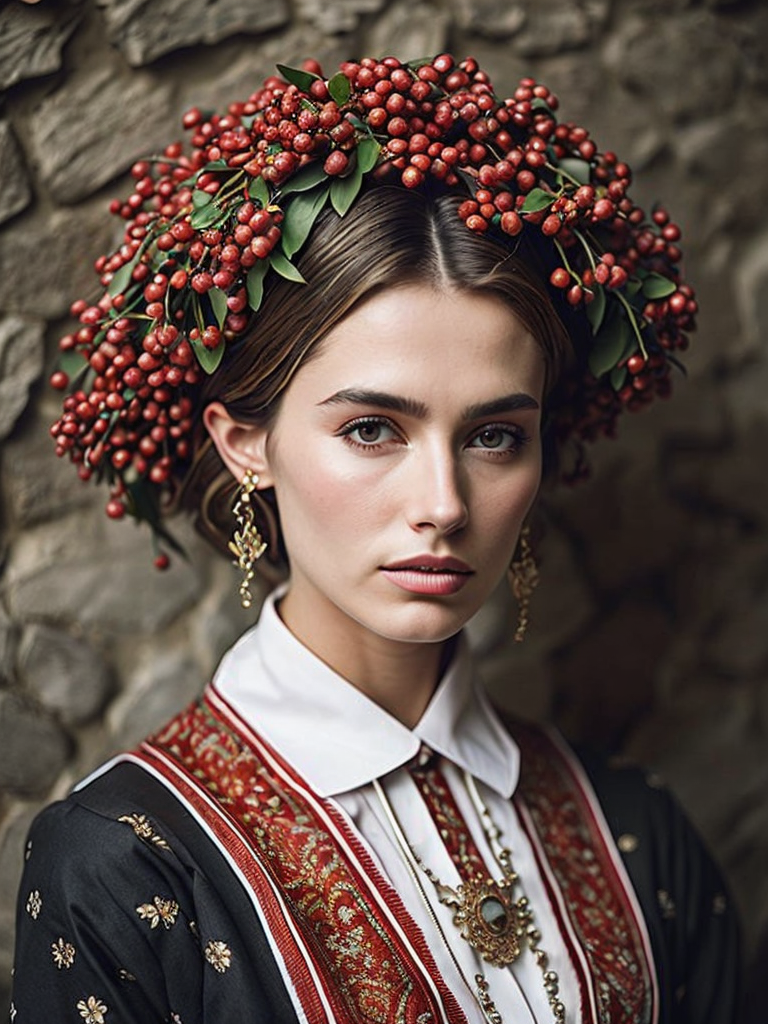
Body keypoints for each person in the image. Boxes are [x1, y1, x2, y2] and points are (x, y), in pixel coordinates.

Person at [11, 54, 740, 1023]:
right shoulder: (122, 865)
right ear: (245, 444)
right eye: (372, 429)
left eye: (494, 435)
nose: (443, 501)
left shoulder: (642, 835)